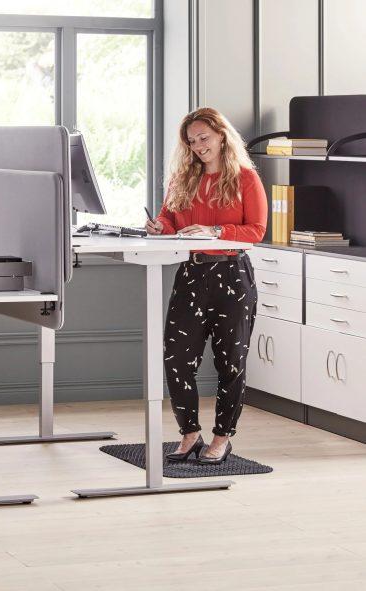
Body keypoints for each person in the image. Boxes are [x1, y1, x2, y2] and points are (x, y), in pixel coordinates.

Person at [146, 107, 267, 464]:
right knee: (177, 358)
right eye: (192, 141)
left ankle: (222, 438)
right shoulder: (182, 179)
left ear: (221, 136)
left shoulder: (245, 178)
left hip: (232, 275)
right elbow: (170, 218)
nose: (198, 146)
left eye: (204, 138)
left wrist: (215, 231)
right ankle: (189, 433)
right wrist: (161, 226)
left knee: (232, 362)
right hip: (192, 275)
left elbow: (256, 230)